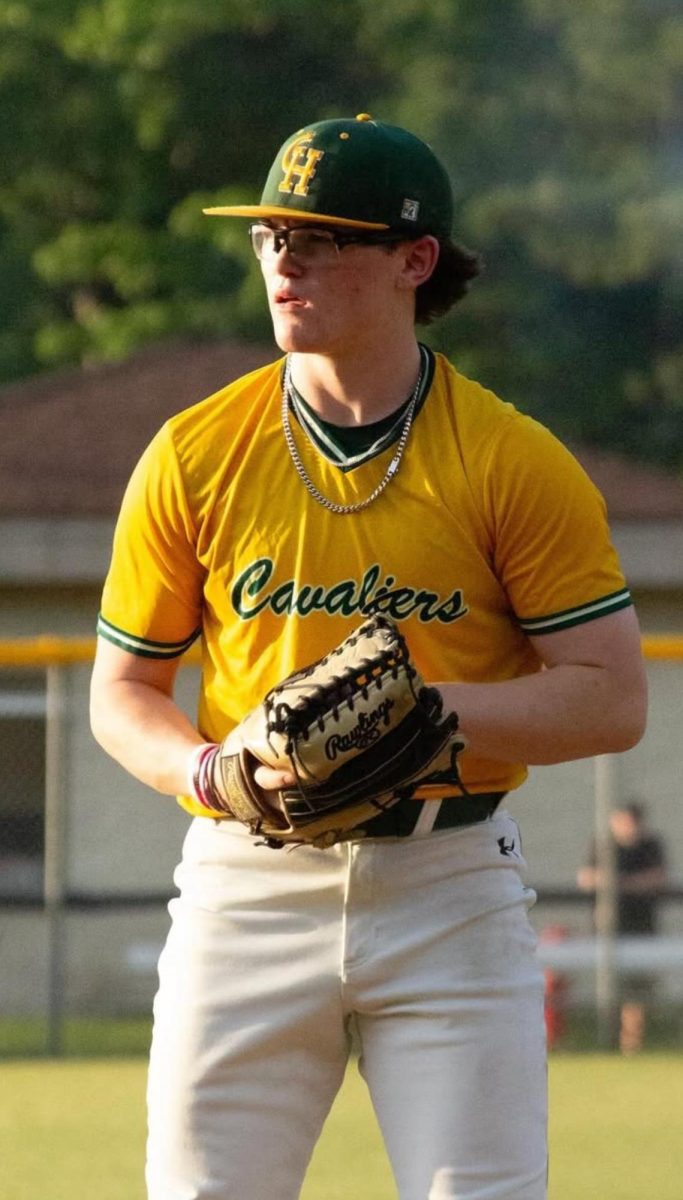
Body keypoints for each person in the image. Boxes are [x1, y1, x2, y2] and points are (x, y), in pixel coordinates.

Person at [89, 113, 648, 1200]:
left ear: (414, 260)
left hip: (447, 884)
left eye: (321, 236)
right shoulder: (196, 452)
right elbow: (123, 691)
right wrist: (205, 772)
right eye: (267, 236)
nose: (283, 260)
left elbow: (609, 700)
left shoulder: (507, 461)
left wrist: (426, 709)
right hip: (246, 879)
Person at [577, 802, 667, 1053]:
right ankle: (606, 1038)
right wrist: (617, 882)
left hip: (641, 927)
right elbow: (586, 878)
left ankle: (630, 1045)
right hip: (607, 929)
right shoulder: (604, 845)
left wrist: (620, 884)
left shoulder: (650, 846)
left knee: (636, 988)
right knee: (609, 984)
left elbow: (657, 879)